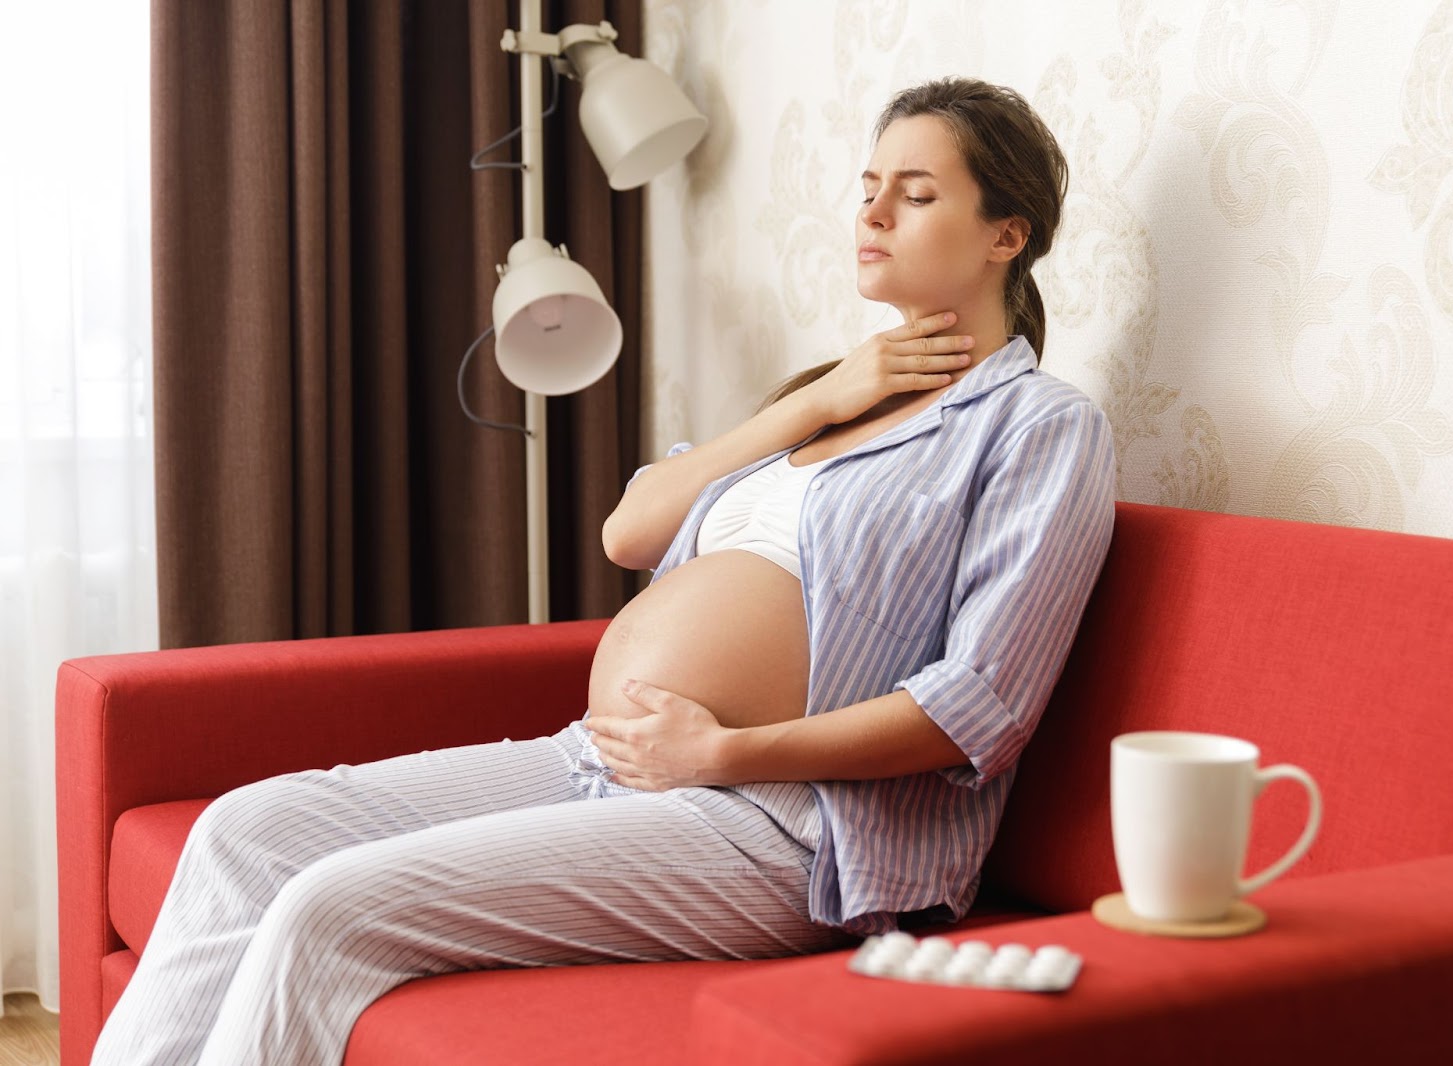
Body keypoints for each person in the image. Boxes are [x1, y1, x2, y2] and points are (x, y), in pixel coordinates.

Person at [90, 76, 1116, 1066]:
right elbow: (628, 528)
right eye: (868, 184)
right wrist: (810, 403)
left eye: (918, 191)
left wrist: (725, 752)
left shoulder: (1038, 426)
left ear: (1005, 234)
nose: (874, 208)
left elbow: (980, 706)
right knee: (243, 835)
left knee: (329, 905)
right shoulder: (833, 393)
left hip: (791, 828)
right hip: (605, 761)